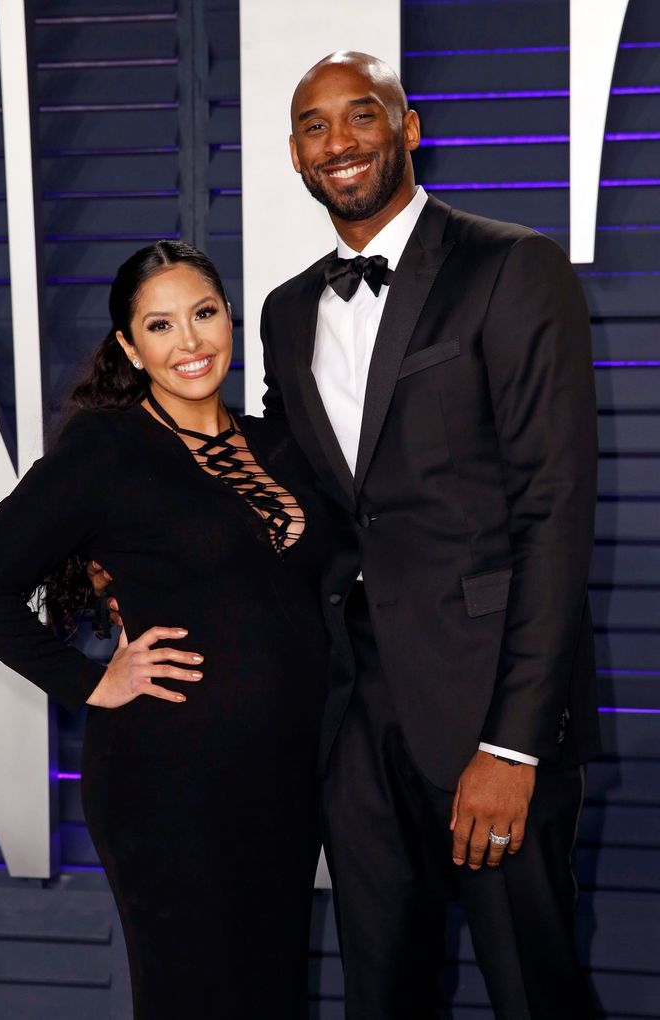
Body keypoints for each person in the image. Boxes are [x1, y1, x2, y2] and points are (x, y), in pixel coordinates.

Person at [259, 51, 600, 1019]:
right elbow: (291, 495)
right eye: (315, 126)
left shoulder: (508, 266)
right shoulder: (287, 312)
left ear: (407, 129)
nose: (339, 142)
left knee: (532, 990)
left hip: (487, 715)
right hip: (355, 723)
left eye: (360, 115)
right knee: (382, 997)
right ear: (293, 154)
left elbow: (553, 510)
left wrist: (513, 747)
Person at [0, 241, 333, 1020]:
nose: (191, 343)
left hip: (283, 782)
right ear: (130, 348)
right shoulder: (107, 449)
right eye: (161, 326)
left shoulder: (277, 442)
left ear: (229, 319)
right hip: (169, 788)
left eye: (204, 314)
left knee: (272, 999)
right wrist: (89, 679)